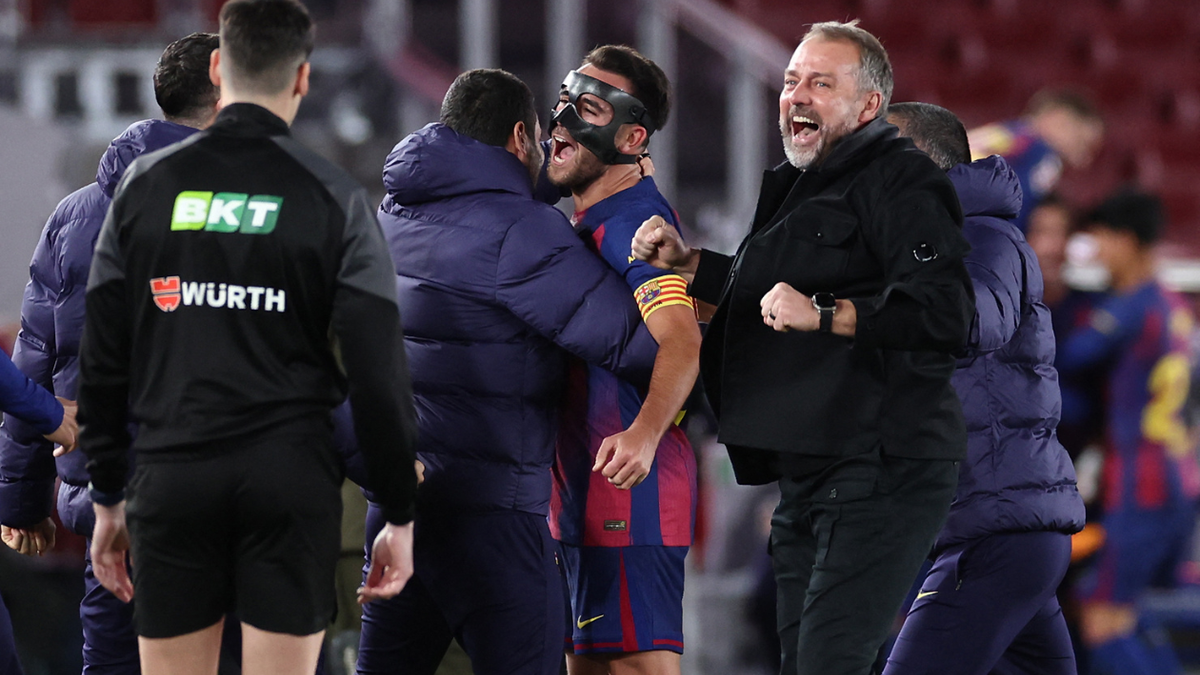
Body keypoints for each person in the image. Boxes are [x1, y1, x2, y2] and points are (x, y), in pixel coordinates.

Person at [78, 2, 420, 674]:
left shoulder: (144, 188)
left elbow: (103, 357)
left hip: (173, 478)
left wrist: (108, 497)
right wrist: (397, 515)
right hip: (288, 482)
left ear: (216, 66)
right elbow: (380, 373)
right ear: (302, 80)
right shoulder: (337, 197)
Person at [632, 20, 975, 675]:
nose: (796, 95)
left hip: (882, 464)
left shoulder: (903, 182)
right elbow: (766, 291)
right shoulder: (799, 184)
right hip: (810, 466)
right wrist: (690, 262)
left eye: (822, 82)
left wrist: (826, 313)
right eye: (791, 80)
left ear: (868, 106)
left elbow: (945, 309)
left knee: (828, 663)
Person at [357, 68, 659, 675]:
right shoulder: (523, 233)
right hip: (493, 523)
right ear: (522, 137)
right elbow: (636, 344)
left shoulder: (390, 214)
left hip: (398, 509)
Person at [0, 31, 221, 675]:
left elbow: (36, 353)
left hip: (109, 499)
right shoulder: (248, 211)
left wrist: (20, 500)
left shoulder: (76, 214)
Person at [880, 101, 1085, 675]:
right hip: (997, 525)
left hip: (996, 531)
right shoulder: (923, 245)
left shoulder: (983, 237)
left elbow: (974, 322)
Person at [544, 45, 700, 675]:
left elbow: (682, 339)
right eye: (561, 101)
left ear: (632, 136)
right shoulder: (589, 215)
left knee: (637, 666)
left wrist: (641, 434)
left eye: (586, 109)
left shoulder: (635, 219)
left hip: (630, 493)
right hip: (584, 488)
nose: (562, 121)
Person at [1057, 190, 1197, 675]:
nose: (1095, 253)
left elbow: (1070, 357)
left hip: (1143, 484)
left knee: (1100, 620)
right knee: (1120, 612)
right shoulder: (1173, 305)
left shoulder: (1130, 307)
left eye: (1101, 240)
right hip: (1176, 477)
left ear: (1126, 240)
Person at [968, 88, 1104, 232]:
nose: (1086, 160)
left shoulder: (1009, 135)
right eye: (1082, 143)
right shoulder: (1034, 146)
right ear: (1059, 119)